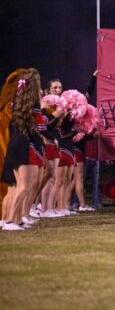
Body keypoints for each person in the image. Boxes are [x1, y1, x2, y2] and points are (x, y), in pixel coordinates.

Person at [1, 69, 45, 231]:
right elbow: (41, 127)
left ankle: (15, 220)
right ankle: (11, 221)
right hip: (23, 146)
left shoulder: (18, 100)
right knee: (24, 186)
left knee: (18, 185)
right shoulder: (32, 103)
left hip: (16, 145)